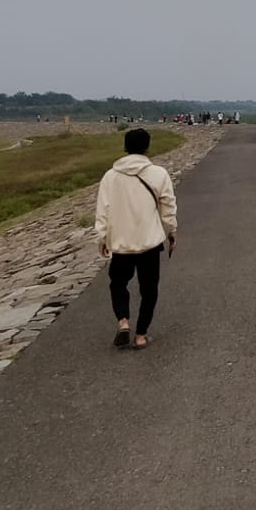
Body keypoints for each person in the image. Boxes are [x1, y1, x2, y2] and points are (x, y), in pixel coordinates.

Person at [94, 128, 178, 351]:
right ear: (147, 147)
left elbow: (103, 210)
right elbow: (167, 207)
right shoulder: (158, 174)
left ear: (125, 147)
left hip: (121, 244)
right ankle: (141, 335)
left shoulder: (110, 176)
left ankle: (123, 321)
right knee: (149, 289)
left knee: (118, 284)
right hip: (149, 242)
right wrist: (171, 230)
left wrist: (102, 238)